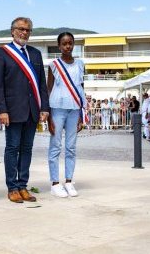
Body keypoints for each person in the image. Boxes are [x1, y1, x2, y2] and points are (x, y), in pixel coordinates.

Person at [0, 17, 50, 203]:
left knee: (27, 148)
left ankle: (23, 185)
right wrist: (1, 110)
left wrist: (44, 108)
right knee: (12, 148)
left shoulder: (35, 53)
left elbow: (41, 83)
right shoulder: (2, 53)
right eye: (21, 29)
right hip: (12, 111)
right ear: (12, 31)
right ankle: (12, 187)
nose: (24, 33)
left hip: (33, 110)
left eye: (28, 30)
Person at [45, 32, 85, 198]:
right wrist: (48, 116)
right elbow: (48, 89)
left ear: (73, 44)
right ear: (59, 46)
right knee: (55, 146)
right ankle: (55, 183)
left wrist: (82, 115)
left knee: (71, 147)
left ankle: (69, 181)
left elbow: (82, 88)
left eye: (70, 43)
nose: (68, 46)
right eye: (64, 44)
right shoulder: (54, 65)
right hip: (57, 109)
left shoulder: (81, 64)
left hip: (75, 109)